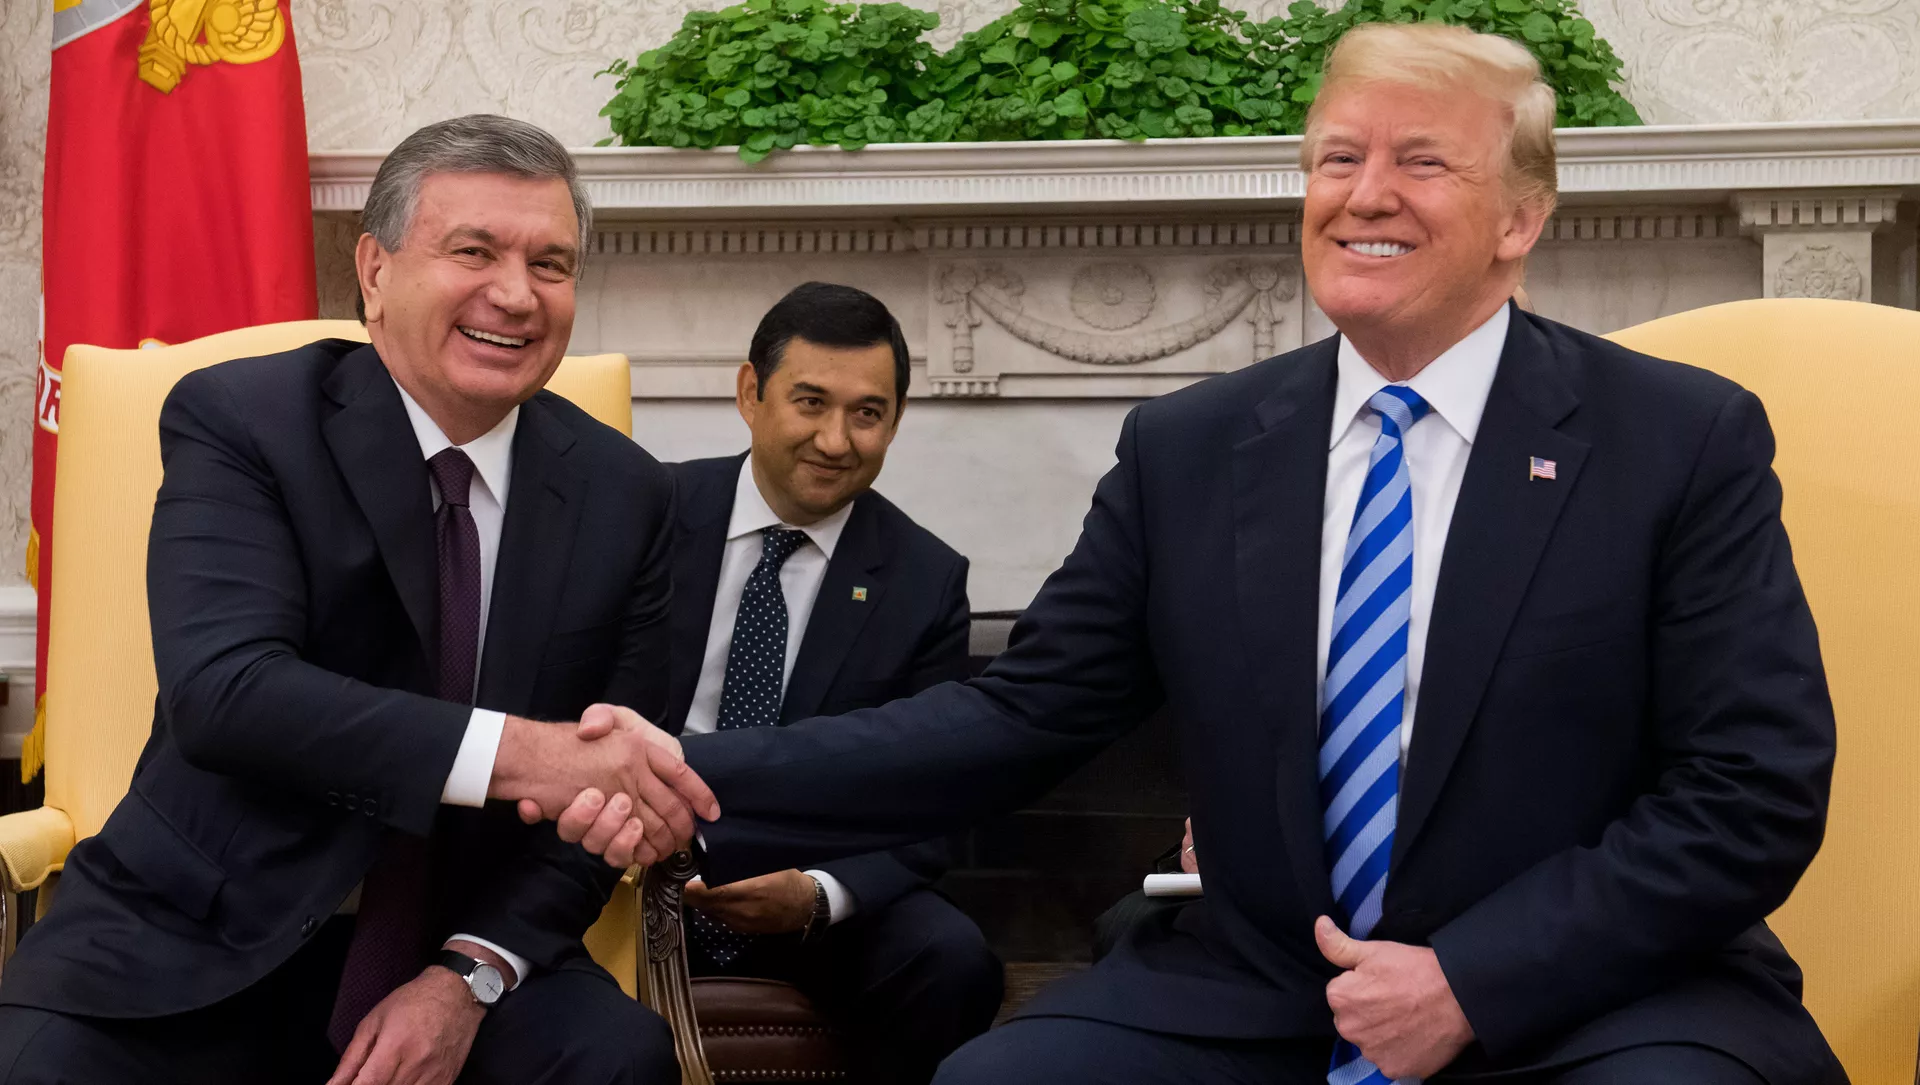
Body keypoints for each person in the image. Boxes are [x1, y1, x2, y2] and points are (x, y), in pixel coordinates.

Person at [668, 23, 1844, 1085]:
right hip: (1269, 982)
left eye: (1421, 161)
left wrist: (1473, 979)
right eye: (1338, 158)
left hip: (1592, 991)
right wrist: (683, 768)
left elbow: (1752, 789)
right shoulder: (1192, 447)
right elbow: (1017, 715)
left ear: (1520, 219)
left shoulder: (1678, 438)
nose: (1365, 194)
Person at [0, 115, 716, 1085]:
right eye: (474, 251)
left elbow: (606, 794)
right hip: (201, 929)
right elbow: (229, 694)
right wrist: (522, 752)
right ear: (374, 271)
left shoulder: (629, 493)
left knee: (619, 1059)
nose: (517, 293)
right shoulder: (243, 420)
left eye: (551, 264)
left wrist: (470, 975)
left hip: (460, 933)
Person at [664, 282, 1002, 1084]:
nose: (835, 440)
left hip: (808, 898)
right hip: (625, 868)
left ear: (896, 420)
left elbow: (936, 799)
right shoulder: (649, 512)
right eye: (810, 402)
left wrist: (818, 893)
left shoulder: (924, 578)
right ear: (751, 393)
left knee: (951, 958)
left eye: (867, 413)